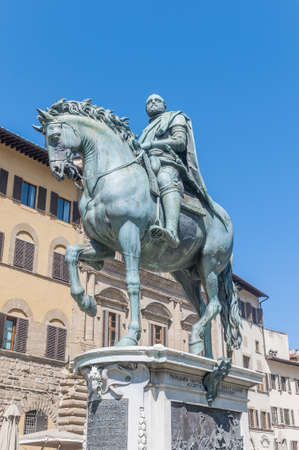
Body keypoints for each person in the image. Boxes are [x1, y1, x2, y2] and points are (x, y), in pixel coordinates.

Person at [139, 93, 215, 248]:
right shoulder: (146, 130)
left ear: (164, 105)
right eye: (149, 102)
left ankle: (172, 231)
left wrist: (152, 144)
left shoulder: (175, 117)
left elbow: (180, 141)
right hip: (147, 163)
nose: (153, 103)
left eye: (157, 100)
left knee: (165, 179)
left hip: (167, 162)